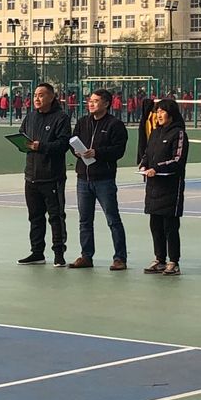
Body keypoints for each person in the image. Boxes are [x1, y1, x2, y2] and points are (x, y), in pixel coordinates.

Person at [68, 89, 128, 270]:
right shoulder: (82, 122)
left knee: (113, 219)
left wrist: (97, 153)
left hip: (104, 180)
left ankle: (120, 258)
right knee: (85, 220)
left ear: (106, 103)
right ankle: (86, 256)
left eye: (95, 101)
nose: (91, 103)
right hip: (83, 179)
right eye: (90, 100)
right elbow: (73, 142)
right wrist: (77, 152)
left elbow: (118, 150)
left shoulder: (115, 125)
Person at [17, 83, 72, 267]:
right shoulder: (30, 116)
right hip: (31, 176)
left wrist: (41, 146)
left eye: (41, 95)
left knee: (56, 217)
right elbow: (22, 135)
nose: (37, 98)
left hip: (52, 177)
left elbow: (63, 145)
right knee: (35, 217)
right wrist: (22, 144)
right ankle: (37, 253)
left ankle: (59, 254)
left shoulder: (61, 118)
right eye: (35, 95)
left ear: (51, 96)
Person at [138, 98, 189, 276]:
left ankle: (173, 262)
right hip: (153, 187)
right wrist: (143, 165)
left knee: (170, 227)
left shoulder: (179, 133)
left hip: (171, 188)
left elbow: (178, 160)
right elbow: (147, 154)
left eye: (162, 111)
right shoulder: (155, 133)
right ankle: (159, 260)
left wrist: (157, 168)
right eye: (157, 111)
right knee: (155, 225)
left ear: (171, 114)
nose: (158, 115)